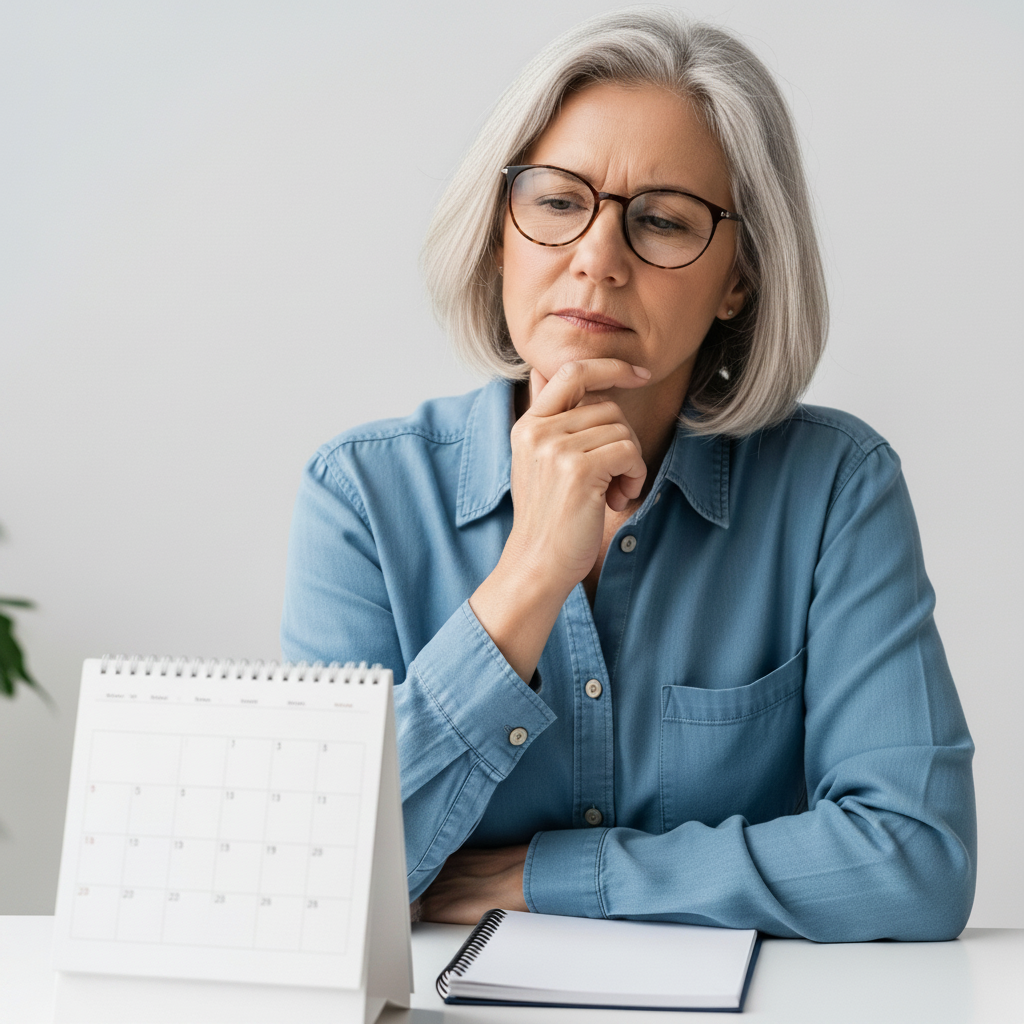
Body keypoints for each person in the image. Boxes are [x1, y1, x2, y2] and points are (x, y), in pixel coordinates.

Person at [281, 8, 976, 941]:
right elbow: (313, 880)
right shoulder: (361, 496)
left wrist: (553, 877)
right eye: (559, 203)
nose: (597, 260)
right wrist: (528, 575)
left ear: (740, 278)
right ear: (501, 233)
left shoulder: (835, 489)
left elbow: (912, 860)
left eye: (662, 221)